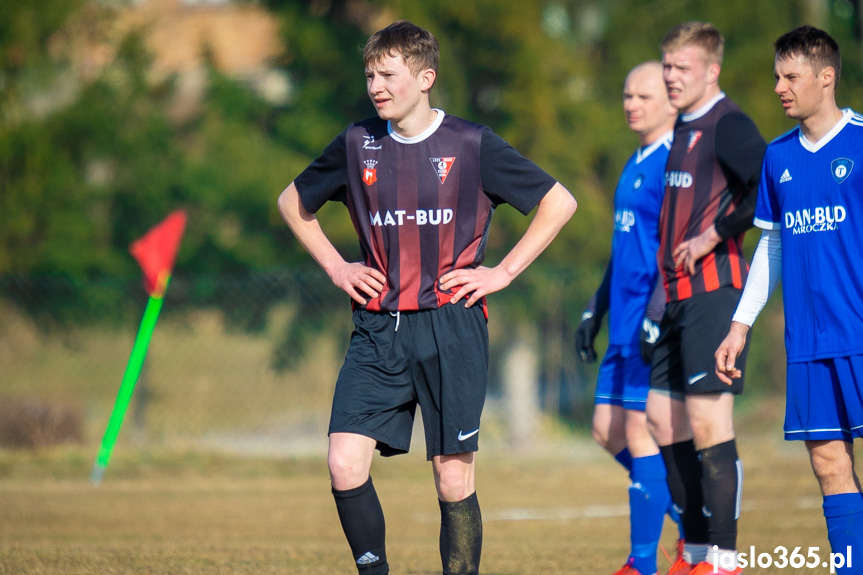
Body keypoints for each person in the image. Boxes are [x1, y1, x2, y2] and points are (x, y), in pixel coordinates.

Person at [277, 20, 576, 575]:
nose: (376, 86)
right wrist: (337, 267)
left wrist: (503, 272)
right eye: (369, 75)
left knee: (452, 474)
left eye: (388, 74)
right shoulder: (356, 143)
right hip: (377, 329)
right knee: (344, 462)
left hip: (451, 327)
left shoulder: (471, 144)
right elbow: (292, 201)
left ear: (425, 77)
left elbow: (559, 202)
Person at [715, 25, 863, 575]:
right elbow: (771, 246)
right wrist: (740, 324)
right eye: (777, 75)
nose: (779, 86)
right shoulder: (778, 158)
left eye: (791, 76)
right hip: (808, 340)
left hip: (860, 334)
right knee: (828, 463)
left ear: (826, 78)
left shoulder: (861, 143)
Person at [645, 22, 766, 575]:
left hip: (716, 294)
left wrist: (715, 234)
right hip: (674, 301)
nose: (671, 76)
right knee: (662, 420)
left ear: (711, 71)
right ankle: (694, 553)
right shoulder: (681, 129)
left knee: (710, 424)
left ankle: (723, 558)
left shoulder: (728, 124)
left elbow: (770, 187)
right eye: (666, 66)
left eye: (682, 68)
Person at [575, 61, 681, 575]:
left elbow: (675, 249)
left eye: (642, 95)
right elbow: (624, 249)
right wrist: (595, 308)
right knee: (604, 429)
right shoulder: (635, 159)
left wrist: (656, 313)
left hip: (648, 319)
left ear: (670, 100)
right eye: (626, 95)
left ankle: (641, 564)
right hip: (620, 322)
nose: (631, 104)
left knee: (640, 434)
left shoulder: (672, 161)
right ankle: (690, 514)